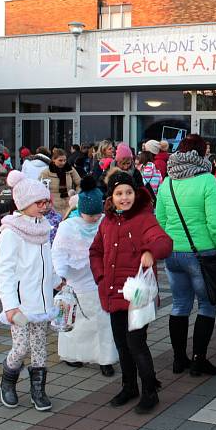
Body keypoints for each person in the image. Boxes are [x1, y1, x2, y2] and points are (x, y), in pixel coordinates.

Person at [91, 171, 172, 412]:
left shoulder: (144, 219)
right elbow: (95, 251)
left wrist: (151, 252)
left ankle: (149, 390)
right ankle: (129, 387)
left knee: (136, 343)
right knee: (121, 344)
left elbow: (164, 241)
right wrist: (101, 277)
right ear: (111, 197)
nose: (124, 198)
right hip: (113, 293)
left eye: (128, 192)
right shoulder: (106, 222)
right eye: (119, 193)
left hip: (136, 296)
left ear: (136, 194)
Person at [155, 134, 216, 377]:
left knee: (179, 305)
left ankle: (179, 359)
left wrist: (171, 244)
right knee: (207, 306)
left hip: (173, 254)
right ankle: (199, 360)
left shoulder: (168, 182)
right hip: (202, 253)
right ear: (199, 154)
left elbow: (160, 221)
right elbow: (215, 222)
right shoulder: (207, 180)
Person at [0, 170, 61, 412]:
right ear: (24, 203)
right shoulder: (12, 232)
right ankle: (8, 379)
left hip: (43, 303)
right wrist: (10, 305)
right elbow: (4, 271)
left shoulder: (43, 228)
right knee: (21, 347)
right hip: (21, 305)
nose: (44, 207)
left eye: (46, 201)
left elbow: (47, 263)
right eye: (39, 202)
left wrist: (57, 281)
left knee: (40, 348)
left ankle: (38, 390)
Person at [53, 178, 119, 376]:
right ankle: (72, 354)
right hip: (76, 282)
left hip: (100, 280)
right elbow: (58, 252)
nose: (93, 217)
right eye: (89, 214)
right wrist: (60, 275)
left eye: (96, 213)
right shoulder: (68, 226)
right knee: (75, 319)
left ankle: (105, 358)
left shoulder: (105, 223)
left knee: (103, 321)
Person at [40, 148, 82, 212]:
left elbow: (80, 184)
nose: (63, 162)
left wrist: (75, 194)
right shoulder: (46, 172)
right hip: (53, 207)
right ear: (54, 160)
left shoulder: (70, 170)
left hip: (69, 204)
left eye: (65, 160)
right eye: (60, 160)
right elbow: (40, 188)